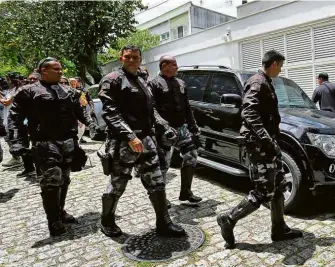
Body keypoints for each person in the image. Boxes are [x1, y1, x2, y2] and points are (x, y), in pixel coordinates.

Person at [217, 50, 303, 249]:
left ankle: (279, 228)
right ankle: (228, 219)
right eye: (280, 65)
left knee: (279, 185)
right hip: (260, 146)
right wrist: (266, 139)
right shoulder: (257, 82)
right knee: (263, 191)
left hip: (269, 143)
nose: (280, 69)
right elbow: (249, 112)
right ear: (273, 63)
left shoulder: (265, 82)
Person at [98, 45, 185, 238]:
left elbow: (151, 110)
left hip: (146, 139)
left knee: (156, 181)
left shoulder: (142, 79)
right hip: (123, 143)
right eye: (128, 57)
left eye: (135, 58)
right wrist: (130, 136)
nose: (132, 60)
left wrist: (163, 125)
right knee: (118, 183)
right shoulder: (112, 80)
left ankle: (164, 222)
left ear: (140, 59)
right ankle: (107, 220)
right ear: (121, 57)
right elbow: (110, 113)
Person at [8, 57, 98, 236]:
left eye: (60, 68)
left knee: (65, 179)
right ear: (43, 71)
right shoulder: (28, 92)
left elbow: (79, 111)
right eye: (56, 69)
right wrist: (17, 142)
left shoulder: (68, 91)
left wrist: (91, 123)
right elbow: (15, 117)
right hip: (45, 143)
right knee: (51, 181)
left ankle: (60, 211)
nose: (61, 71)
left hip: (68, 142)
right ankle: (53, 220)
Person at [148, 55, 203, 205]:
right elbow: (151, 109)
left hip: (181, 128)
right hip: (163, 131)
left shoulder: (181, 82)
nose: (177, 67)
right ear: (164, 65)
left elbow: (187, 107)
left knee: (191, 155)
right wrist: (163, 126)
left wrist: (193, 127)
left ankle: (186, 192)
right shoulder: (153, 84)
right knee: (164, 165)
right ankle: (161, 197)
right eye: (174, 65)